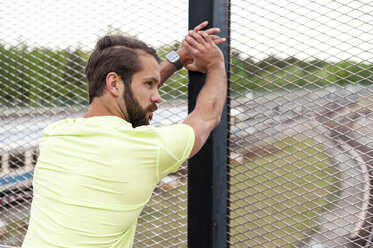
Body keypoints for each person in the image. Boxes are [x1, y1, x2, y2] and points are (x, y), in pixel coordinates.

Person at [22, 21, 227, 248]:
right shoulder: (145, 148)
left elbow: (119, 100)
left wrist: (178, 58)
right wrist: (216, 64)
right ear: (113, 83)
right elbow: (208, 115)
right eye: (149, 84)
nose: (158, 97)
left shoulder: (55, 135)